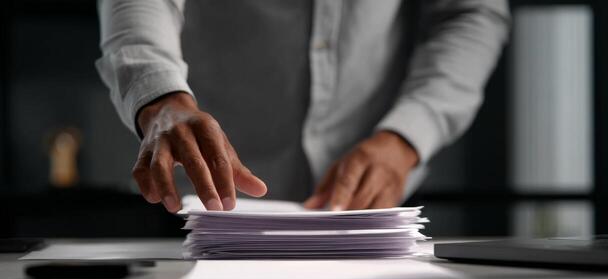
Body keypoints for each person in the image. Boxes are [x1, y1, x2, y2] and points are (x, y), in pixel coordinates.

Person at [96, 0, 509, 212]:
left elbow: (470, 12)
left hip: (373, 199)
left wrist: (407, 136)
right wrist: (161, 97)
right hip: (195, 205)